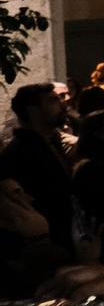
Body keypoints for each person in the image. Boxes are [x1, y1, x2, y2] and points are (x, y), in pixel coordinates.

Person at [0, 82, 73, 256]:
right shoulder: (22, 153)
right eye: (53, 101)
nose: (63, 105)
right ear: (33, 111)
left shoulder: (51, 143)